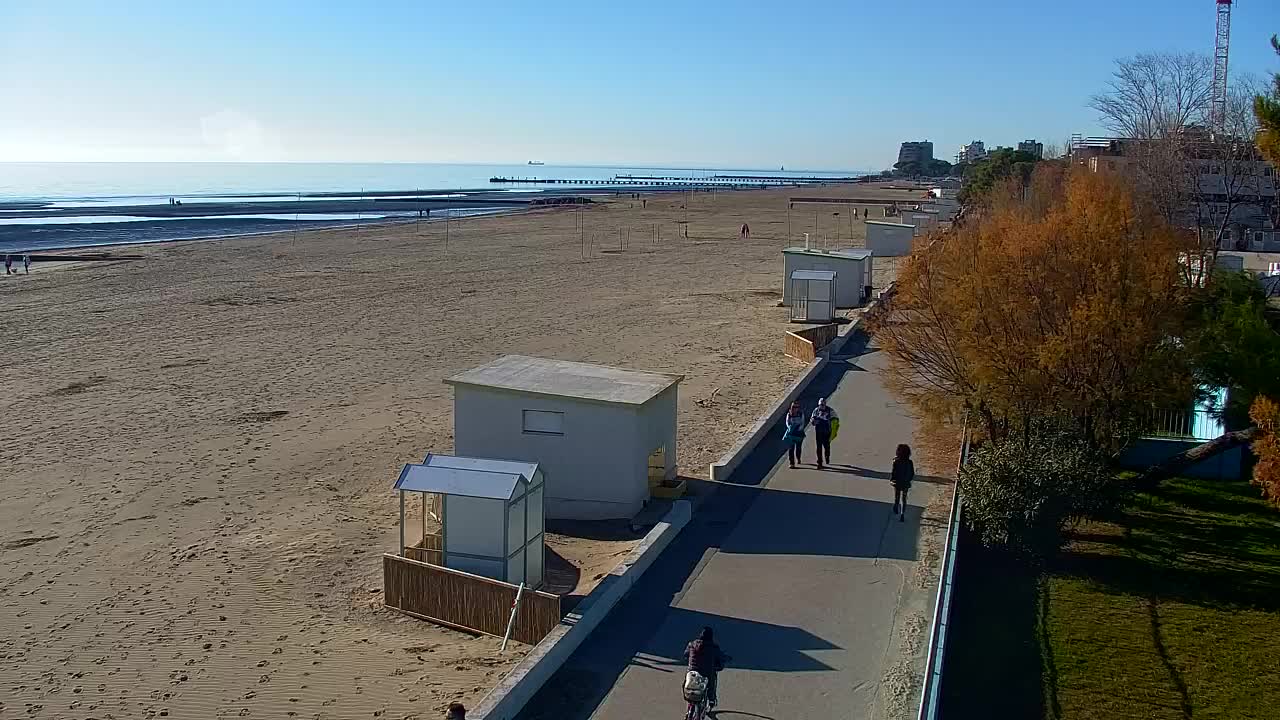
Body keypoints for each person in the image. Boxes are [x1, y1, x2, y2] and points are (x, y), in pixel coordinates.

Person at [684, 626, 728, 709]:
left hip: (692, 671)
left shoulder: (692, 644)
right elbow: (721, 658)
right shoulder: (713, 647)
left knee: (688, 681)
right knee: (711, 683)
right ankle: (711, 700)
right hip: (706, 672)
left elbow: (686, 654)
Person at [810, 398, 837, 469]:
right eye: (820, 405)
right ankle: (819, 463)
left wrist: (832, 425)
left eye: (822, 405)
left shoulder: (830, 410)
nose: (821, 406)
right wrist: (813, 421)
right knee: (818, 447)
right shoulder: (816, 410)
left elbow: (835, 419)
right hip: (818, 432)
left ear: (825, 404)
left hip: (827, 431)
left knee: (826, 446)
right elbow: (812, 419)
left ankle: (827, 456)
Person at [891, 444, 915, 522]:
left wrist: (892, 480)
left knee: (897, 496)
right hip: (906, 483)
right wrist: (909, 480)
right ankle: (902, 514)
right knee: (904, 499)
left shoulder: (896, 461)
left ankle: (896, 506)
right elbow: (912, 473)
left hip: (897, 482)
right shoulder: (910, 462)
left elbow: (894, 472)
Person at [782, 401, 807, 468]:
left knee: (798, 447)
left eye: (796, 407)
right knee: (791, 448)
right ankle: (792, 463)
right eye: (793, 407)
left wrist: (799, 428)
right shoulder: (789, 414)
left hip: (799, 432)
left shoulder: (801, 414)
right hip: (791, 433)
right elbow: (787, 423)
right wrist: (790, 427)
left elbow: (802, 422)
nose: (795, 408)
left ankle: (798, 458)